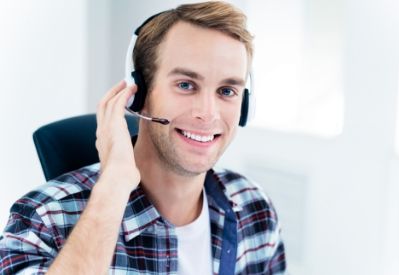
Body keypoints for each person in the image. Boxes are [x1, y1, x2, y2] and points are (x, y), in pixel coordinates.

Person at [0, 1, 286, 274]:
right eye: (186, 85)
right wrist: (113, 187)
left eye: (227, 91)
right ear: (138, 94)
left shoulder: (254, 206)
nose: (208, 114)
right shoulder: (43, 220)